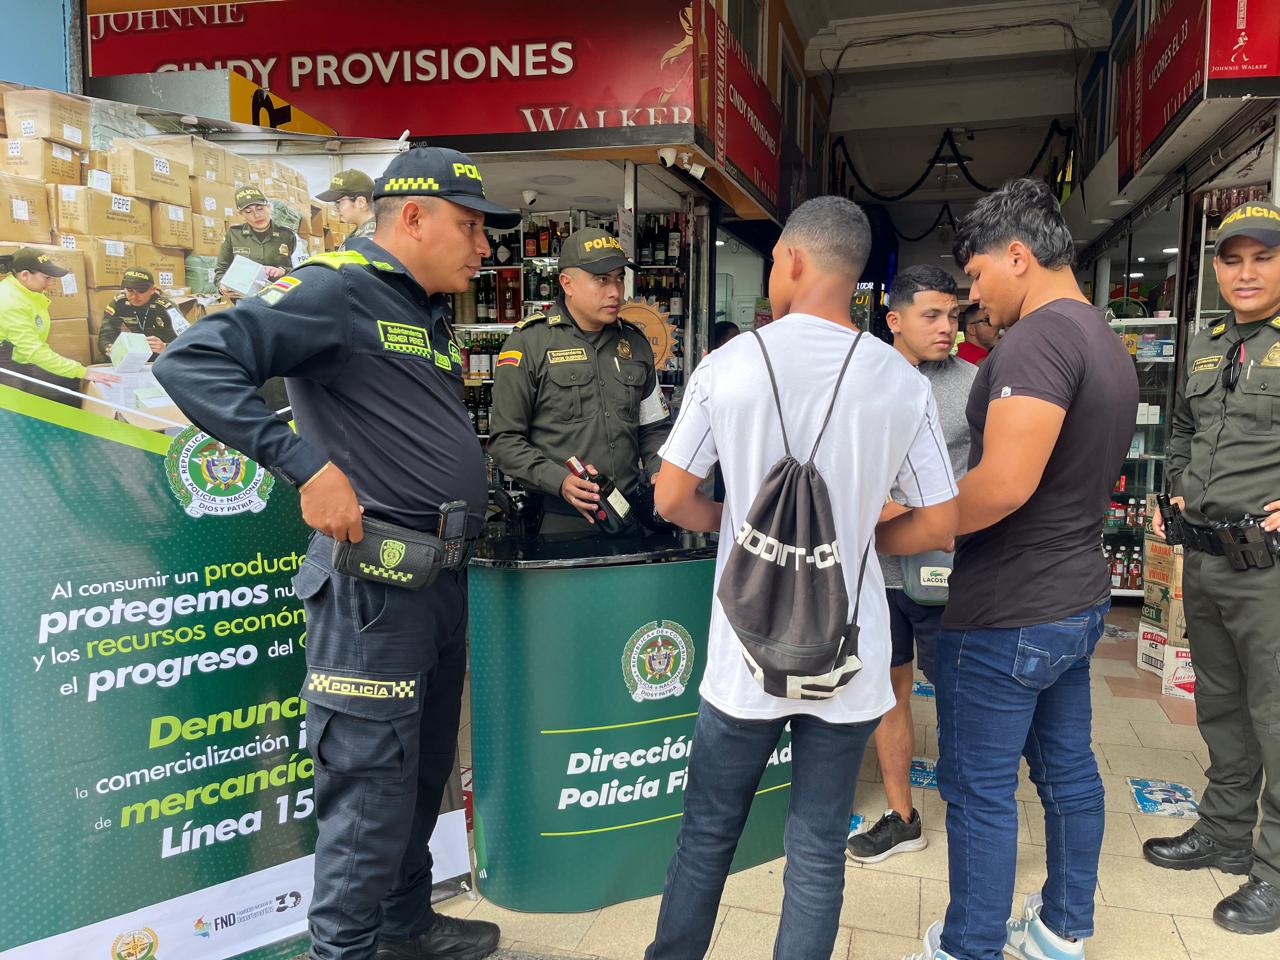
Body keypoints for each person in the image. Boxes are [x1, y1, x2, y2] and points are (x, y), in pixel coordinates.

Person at [154, 146, 519, 960]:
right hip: (373, 591)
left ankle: (404, 927)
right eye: (470, 226)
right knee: (368, 793)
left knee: (420, 775)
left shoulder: (421, 310)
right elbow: (192, 360)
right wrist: (304, 466)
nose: (483, 247)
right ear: (414, 217)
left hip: (436, 584)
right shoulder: (335, 286)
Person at [647, 196, 959, 960]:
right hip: (850, 660)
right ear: (855, 277)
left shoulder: (728, 364)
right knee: (817, 848)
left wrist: (740, 529)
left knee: (707, 832)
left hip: (744, 656)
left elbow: (672, 497)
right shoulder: (900, 380)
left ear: (790, 259)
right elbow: (942, 517)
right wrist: (858, 531)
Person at [908, 178, 1138, 960]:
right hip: (1071, 600)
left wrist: (907, 530)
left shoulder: (1037, 340)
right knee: (1068, 772)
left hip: (1008, 611)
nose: (972, 296)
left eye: (975, 276)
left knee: (977, 791)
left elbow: (1004, 483)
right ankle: (1061, 928)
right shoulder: (1100, 336)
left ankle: (969, 945)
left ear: (1018, 254)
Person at [1143, 200, 1280, 935]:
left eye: (1263, 257)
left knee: (1276, 715)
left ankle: (1276, 871)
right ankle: (1225, 833)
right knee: (1222, 708)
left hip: (1272, 573)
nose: (1247, 271)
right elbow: (1186, 431)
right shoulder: (1209, 342)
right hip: (1208, 558)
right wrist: (1175, 485)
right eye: (1233, 259)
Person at [846, 264, 976, 866]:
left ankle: (977, 816)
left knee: (961, 694)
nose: (947, 327)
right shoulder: (859, 379)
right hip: (877, 570)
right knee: (889, 691)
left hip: (947, 568)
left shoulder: (975, 384)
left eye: (954, 315)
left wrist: (921, 507)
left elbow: (990, 473)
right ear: (894, 320)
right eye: (932, 315)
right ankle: (902, 817)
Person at [488, 227, 671, 534]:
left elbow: (653, 426)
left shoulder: (635, 344)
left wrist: (659, 472)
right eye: (601, 279)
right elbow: (505, 441)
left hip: (631, 517)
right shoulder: (529, 344)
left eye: (618, 278)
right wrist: (559, 481)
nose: (615, 292)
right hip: (561, 522)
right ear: (567, 283)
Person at [1, 247, 118, 400]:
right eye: (46, 278)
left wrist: (76, 371)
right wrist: (83, 372)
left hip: (21, 357)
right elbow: (34, 351)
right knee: (18, 405)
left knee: (68, 381)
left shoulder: (28, 294)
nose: (50, 283)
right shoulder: (10, 302)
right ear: (25, 275)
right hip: (7, 363)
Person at [214, 186, 298, 296]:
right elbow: (221, 269)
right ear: (241, 215)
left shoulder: (287, 235)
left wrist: (283, 271)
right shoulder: (234, 234)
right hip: (244, 301)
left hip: (278, 299)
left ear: (268, 207)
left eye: (260, 209)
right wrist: (222, 286)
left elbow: (302, 270)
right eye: (248, 211)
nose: (257, 215)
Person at [96, 267, 186, 360]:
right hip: (139, 351)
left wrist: (165, 347)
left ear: (152, 290)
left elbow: (188, 340)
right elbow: (107, 331)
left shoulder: (167, 308)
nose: (134, 296)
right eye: (130, 290)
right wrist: (109, 348)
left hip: (165, 353)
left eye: (141, 291)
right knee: (101, 359)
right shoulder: (119, 303)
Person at [317, 168, 377, 247]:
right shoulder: (360, 234)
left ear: (361, 202)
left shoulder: (370, 239)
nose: (336, 208)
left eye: (339, 202)